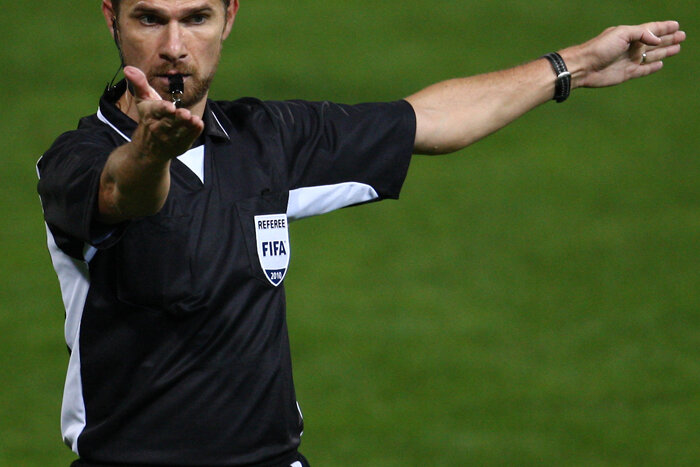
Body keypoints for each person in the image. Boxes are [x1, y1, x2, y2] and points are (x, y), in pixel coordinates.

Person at [36, 0, 685, 465]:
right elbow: (123, 193)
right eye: (150, 19)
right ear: (111, 19)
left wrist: (575, 64)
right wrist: (152, 150)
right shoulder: (76, 162)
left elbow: (427, 120)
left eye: (197, 18)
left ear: (229, 17)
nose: (175, 46)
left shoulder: (266, 141)